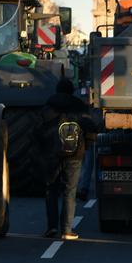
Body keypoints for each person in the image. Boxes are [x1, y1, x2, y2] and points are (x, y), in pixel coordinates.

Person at [40, 77, 96, 240]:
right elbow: (91, 127)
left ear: (57, 90)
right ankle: (67, 230)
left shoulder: (48, 105)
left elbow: (37, 130)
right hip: (74, 155)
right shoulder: (79, 106)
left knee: (51, 190)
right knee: (69, 191)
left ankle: (51, 227)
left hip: (52, 155)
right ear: (72, 91)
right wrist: (85, 146)